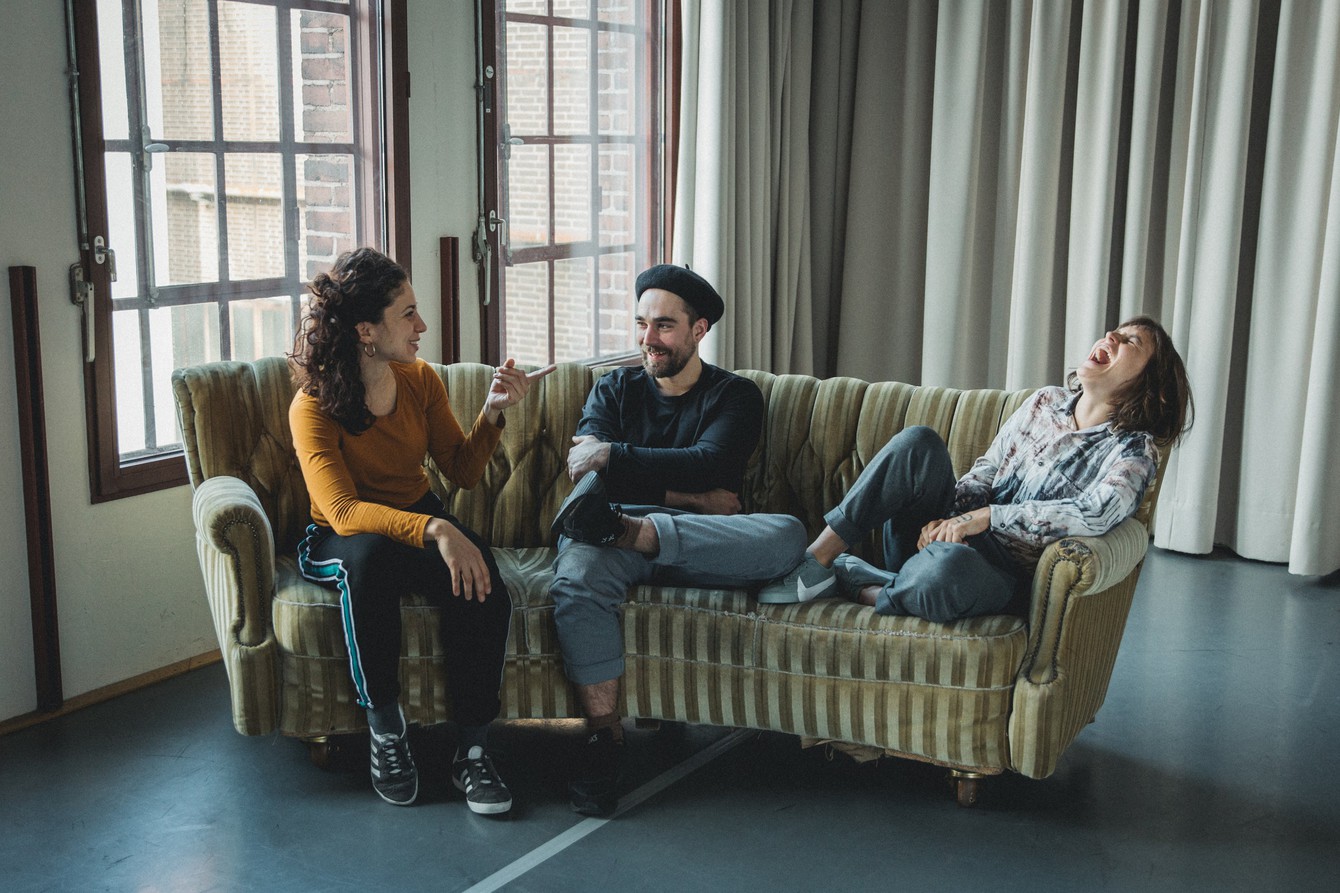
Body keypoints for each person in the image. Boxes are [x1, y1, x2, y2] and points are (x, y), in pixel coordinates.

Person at [288, 247, 553, 811]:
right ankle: (386, 731)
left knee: (482, 580)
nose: (422, 326)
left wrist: (494, 411)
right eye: (407, 313)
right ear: (366, 329)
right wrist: (436, 528)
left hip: (415, 516)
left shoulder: (419, 380)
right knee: (369, 561)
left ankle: (475, 753)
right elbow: (342, 512)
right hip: (340, 537)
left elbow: (461, 468)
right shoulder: (311, 407)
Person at [548, 264, 808, 817]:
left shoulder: (736, 397)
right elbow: (585, 474)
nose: (647, 339)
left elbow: (709, 461)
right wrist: (691, 499)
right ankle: (603, 739)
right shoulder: (614, 388)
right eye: (641, 323)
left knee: (786, 536)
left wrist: (619, 458)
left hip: (696, 545)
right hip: (616, 535)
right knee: (576, 576)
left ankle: (644, 533)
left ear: (699, 330)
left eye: (664, 326)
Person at [757, 316, 1193, 620]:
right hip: (939, 542)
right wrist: (950, 519)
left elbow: (1096, 512)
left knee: (946, 569)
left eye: (1131, 341)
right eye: (1113, 331)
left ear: (1151, 389)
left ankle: (871, 589)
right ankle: (817, 563)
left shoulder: (1133, 453)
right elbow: (987, 469)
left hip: (996, 575)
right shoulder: (1044, 402)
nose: (1112, 337)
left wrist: (983, 519)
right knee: (918, 442)